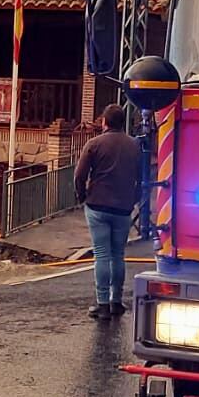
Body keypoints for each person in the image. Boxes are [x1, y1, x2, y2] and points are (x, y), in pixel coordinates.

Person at [74, 103, 144, 321]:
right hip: (123, 207)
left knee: (102, 254)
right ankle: (116, 301)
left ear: (105, 122)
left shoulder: (94, 144)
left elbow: (79, 175)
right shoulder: (134, 146)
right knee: (118, 255)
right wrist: (134, 199)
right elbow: (141, 177)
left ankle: (102, 303)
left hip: (98, 206)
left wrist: (82, 195)